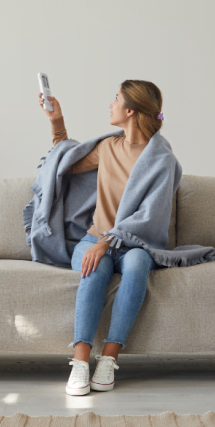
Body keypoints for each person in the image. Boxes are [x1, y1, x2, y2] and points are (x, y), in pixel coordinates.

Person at [38, 80, 165, 396]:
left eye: (116, 99)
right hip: (93, 240)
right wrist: (56, 121)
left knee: (136, 263)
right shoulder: (109, 148)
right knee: (96, 266)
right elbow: (64, 164)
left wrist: (106, 242)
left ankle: (109, 358)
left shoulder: (161, 158)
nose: (110, 104)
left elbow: (151, 216)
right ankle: (80, 360)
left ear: (130, 111)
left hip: (135, 243)